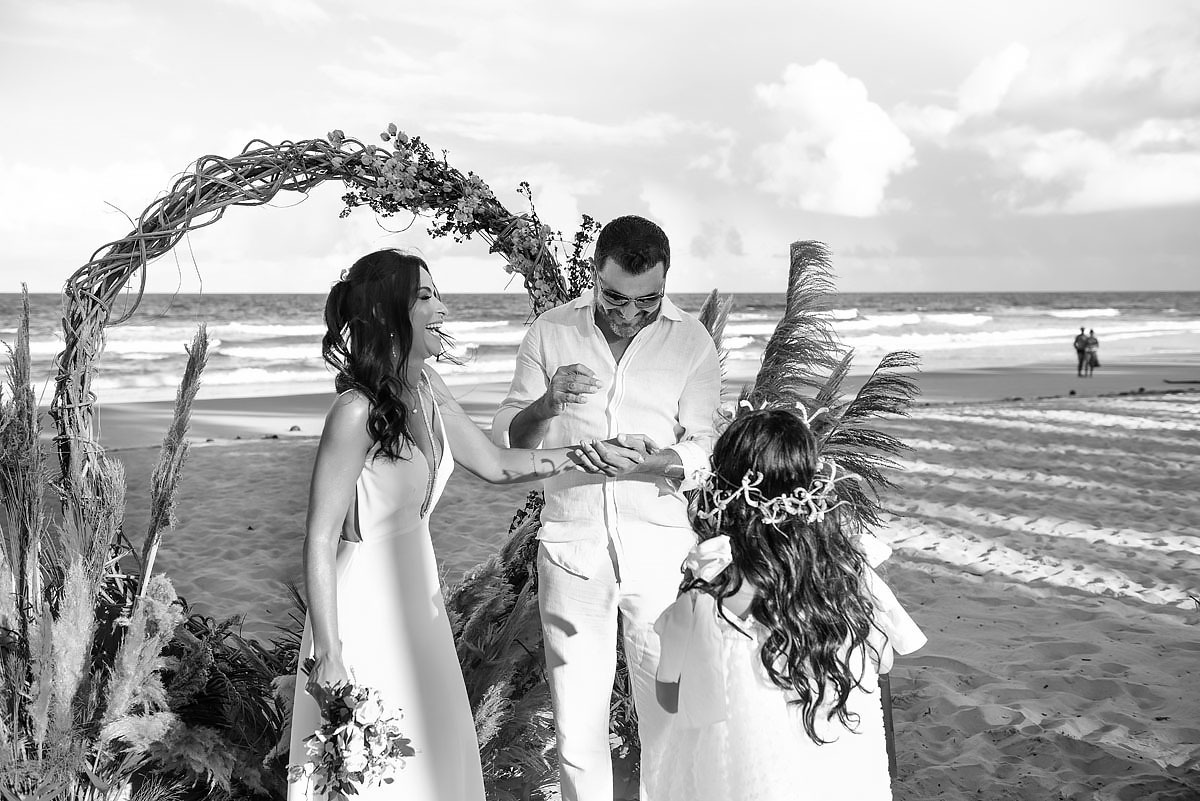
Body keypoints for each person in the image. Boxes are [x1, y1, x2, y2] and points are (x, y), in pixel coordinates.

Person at [287, 250, 623, 800]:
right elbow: (320, 537)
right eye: (424, 297)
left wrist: (592, 453)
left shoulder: (427, 387)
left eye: (437, 294)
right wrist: (328, 651)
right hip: (364, 609)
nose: (442, 307)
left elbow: (495, 465)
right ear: (386, 312)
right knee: (367, 774)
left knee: (433, 759)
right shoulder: (355, 411)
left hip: (418, 603)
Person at [491, 215, 723, 801]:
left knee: (667, 711)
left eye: (648, 301)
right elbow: (510, 440)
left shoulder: (691, 341)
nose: (629, 313)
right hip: (572, 549)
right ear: (595, 273)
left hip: (662, 555)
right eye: (616, 297)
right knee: (576, 723)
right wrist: (547, 403)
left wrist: (648, 464)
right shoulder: (550, 332)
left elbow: (707, 447)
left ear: (664, 285)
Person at [649, 405, 926, 801]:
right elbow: (882, 663)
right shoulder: (848, 574)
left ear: (722, 491)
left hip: (742, 777)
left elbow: (673, 700)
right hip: (838, 763)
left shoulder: (704, 598)